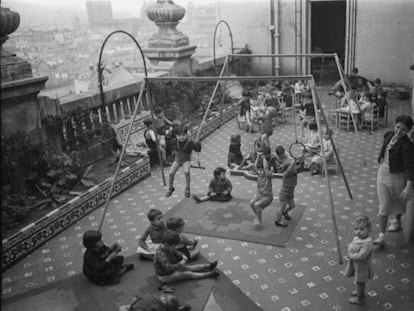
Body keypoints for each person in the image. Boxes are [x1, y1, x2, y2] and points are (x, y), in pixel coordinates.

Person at [374, 115, 414, 246]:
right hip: (383, 173)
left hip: (397, 176)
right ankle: (381, 236)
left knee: (398, 200)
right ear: (394, 125)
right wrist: (380, 156)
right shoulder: (389, 134)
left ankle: (397, 221)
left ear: (408, 131)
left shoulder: (407, 146)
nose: (398, 131)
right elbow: (384, 146)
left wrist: (408, 186)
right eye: (397, 127)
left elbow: (409, 167)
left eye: (403, 129)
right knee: (384, 205)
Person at [153, 230, 219, 284]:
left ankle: (208, 266)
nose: (175, 247)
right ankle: (209, 274)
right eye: (174, 246)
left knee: (189, 267)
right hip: (165, 275)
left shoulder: (168, 247)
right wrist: (180, 264)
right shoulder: (161, 254)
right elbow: (168, 268)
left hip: (172, 268)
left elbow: (175, 251)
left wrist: (182, 255)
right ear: (166, 245)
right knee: (187, 274)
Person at [344, 216, 374, 305]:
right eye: (356, 229)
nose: (358, 231)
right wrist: (350, 251)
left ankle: (359, 299)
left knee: (360, 281)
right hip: (356, 264)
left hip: (362, 266)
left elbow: (362, 256)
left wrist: (351, 255)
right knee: (357, 280)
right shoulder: (358, 238)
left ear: (369, 230)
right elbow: (352, 245)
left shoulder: (367, 243)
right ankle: (360, 292)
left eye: (362, 229)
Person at [166, 126, 201, 198]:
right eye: (179, 136)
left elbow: (198, 149)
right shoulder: (174, 141)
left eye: (183, 135)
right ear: (176, 136)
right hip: (177, 160)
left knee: (186, 172)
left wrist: (198, 144)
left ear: (186, 135)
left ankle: (187, 188)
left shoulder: (190, 143)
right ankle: (170, 188)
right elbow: (168, 144)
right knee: (171, 173)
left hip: (186, 160)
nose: (181, 137)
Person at [249, 143, 273, 229]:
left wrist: (263, 157)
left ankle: (259, 220)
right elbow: (256, 166)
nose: (260, 172)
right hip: (260, 195)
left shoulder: (268, 174)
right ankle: (258, 216)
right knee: (251, 203)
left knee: (257, 205)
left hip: (267, 197)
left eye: (261, 170)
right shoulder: (259, 173)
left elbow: (266, 168)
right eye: (259, 171)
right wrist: (258, 157)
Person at [274, 146, 299, 227]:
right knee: (282, 206)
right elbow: (289, 169)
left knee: (292, 205)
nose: (296, 169)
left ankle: (285, 212)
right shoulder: (287, 174)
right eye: (294, 168)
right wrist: (292, 163)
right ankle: (278, 221)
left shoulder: (287, 159)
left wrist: (291, 162)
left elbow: (288, 159)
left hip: (291, 191)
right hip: (285, 192)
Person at [119, 293, 191, 311]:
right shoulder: (161, 308)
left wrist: (132, 304)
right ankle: (178, 308)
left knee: (122, 308)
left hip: (135, 306)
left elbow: (139, 299)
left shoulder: (150, 295)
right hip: (136, 307)